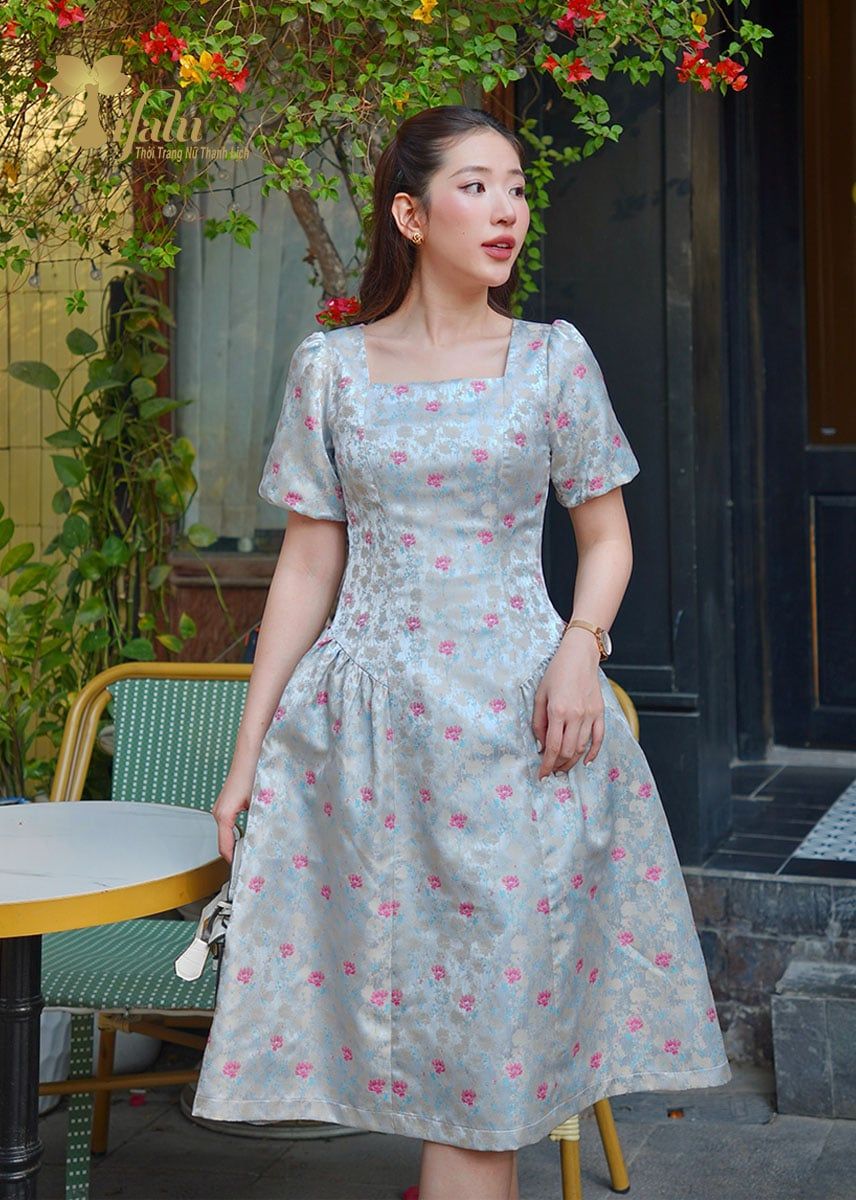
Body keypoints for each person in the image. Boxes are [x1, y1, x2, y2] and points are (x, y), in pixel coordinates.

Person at [192, 105, 731, 1200]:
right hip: (368, 747)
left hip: (518, 736)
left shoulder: (551, 360)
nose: (507, 211)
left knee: (488, 1063)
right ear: (410, 213)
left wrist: (580, 648)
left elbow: (608, 538)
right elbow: (305, 568)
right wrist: (245, 760)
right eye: (477, 186)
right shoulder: (330, 369)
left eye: (516, 188)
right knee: (415, 1045)